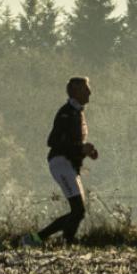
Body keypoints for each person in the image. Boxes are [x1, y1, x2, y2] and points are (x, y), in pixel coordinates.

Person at [23, 76, 99, 246]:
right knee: (78, 210)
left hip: (68, 164)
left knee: (78, 211)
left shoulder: (77, 112)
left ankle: (64, 242)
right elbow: (53, 141)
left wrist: (87, 151)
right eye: (85, 89)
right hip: (60, 163)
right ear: (75, 92)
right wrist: (81, 149)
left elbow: (72, 143)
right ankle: (40, 240)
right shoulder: (66, 113)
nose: (90, 92)